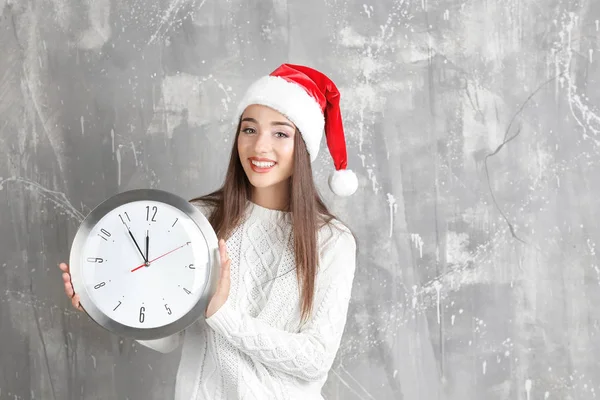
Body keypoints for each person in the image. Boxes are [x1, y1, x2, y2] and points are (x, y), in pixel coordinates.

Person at [59, 63, 359, 400]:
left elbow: (315, 360)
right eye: (249, 130)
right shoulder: (199, 218)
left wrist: (222, 314)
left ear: (302, 146)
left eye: (280, 133)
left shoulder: (332, 241)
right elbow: (173, 336)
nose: (260, 146)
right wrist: (106, 306)